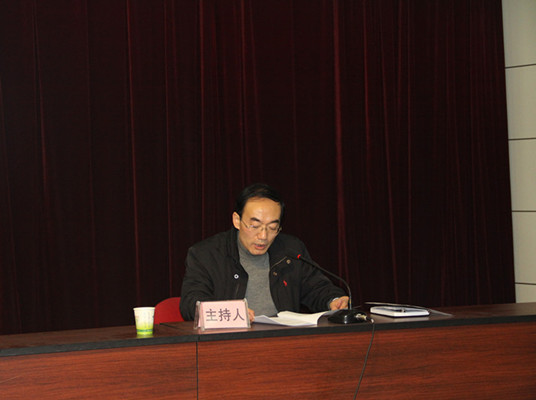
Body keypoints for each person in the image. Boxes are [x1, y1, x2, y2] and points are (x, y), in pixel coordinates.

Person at [179, 183, 349, 321]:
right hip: (229, 341)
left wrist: (334, 300)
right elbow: (191, 303)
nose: (263, 236)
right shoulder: (206, 254)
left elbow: (316, 288)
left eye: (272, 228)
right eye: (255, 226)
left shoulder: (290, 250)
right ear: (237, 220)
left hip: (283, 341)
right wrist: (232, 313)